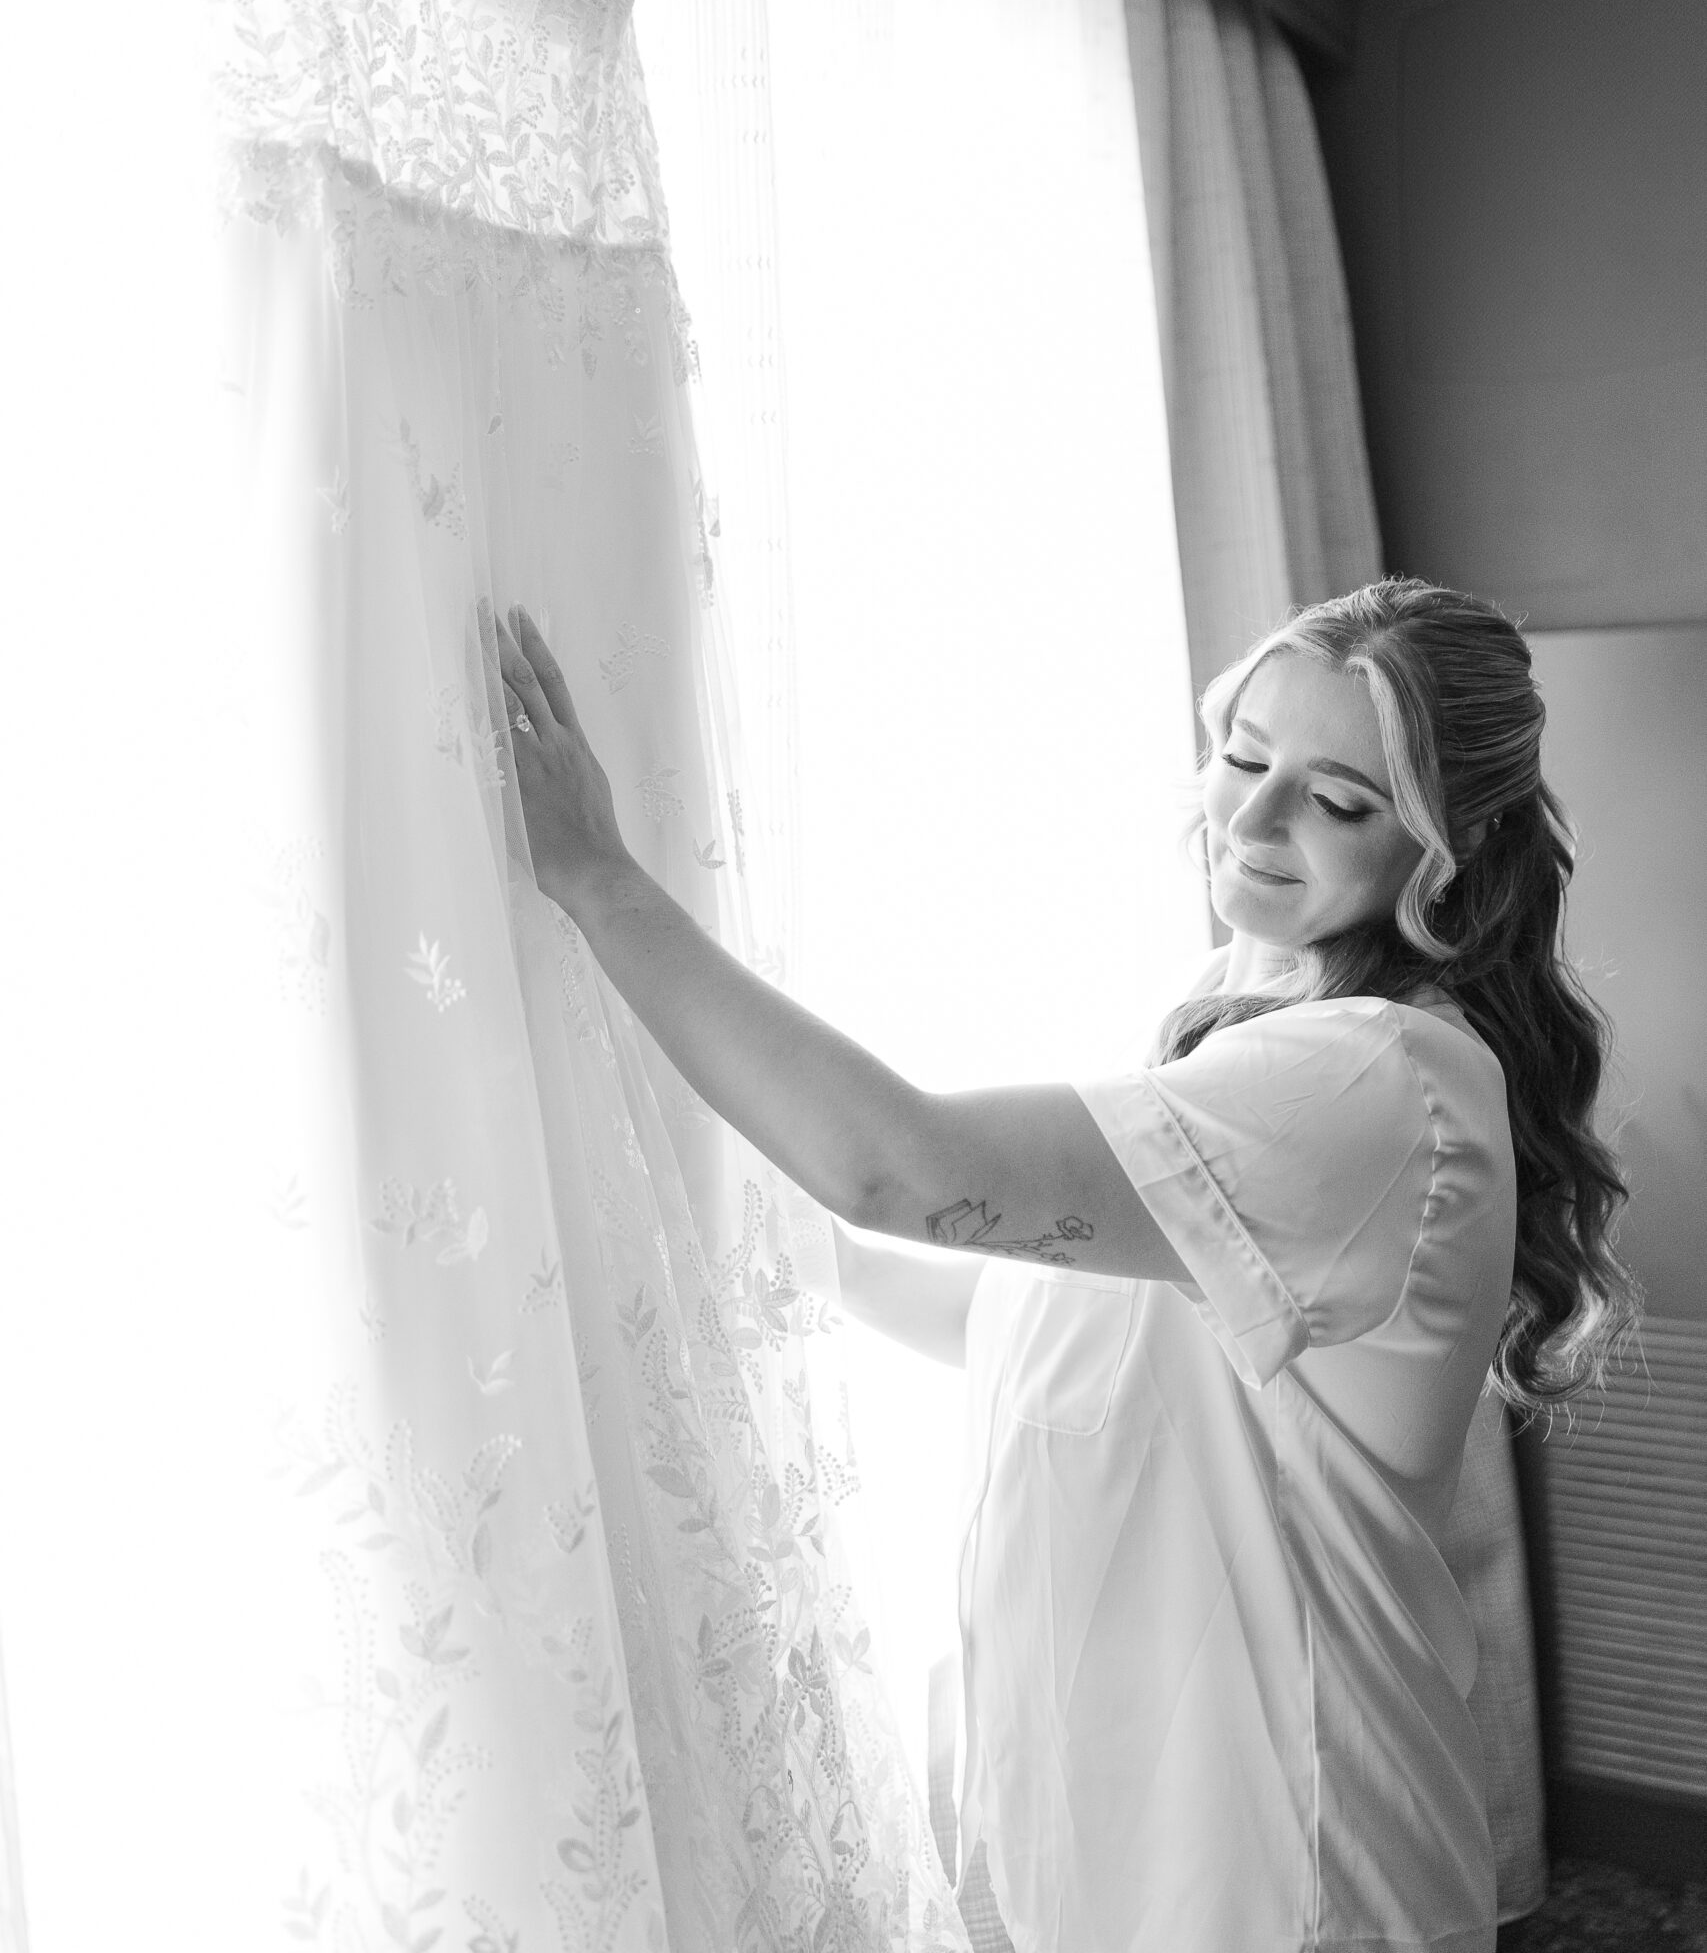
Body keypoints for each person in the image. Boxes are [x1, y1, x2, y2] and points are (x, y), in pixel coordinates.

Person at [494, 576, 1633, 1953]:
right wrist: (746, 1248)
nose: (1258, 817)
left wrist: (600, 882)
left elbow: (899, 1170)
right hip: (1153, 1826)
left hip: (1293, 1865)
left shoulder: (1368, 1080)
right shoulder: (1239, 1018)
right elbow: (1034, 1316)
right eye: (1244, 758)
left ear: (1454, 847)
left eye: (1340, 800)